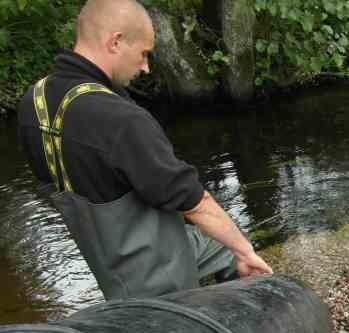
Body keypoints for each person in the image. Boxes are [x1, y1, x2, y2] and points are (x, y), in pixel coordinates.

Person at [16, 0, 272, 301]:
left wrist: (234, 247)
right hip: (156, 275)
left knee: (222, 247)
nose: (146, 67)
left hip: (106, 261)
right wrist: (247, 252)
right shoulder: (121, 120)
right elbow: (194, 201)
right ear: (116, 42)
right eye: (144, 54)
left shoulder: (34, 102)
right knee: (233, 257)